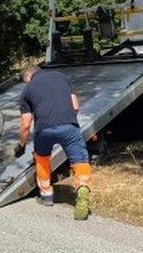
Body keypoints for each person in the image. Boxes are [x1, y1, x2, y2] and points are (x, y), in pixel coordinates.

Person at [14, 65, 91, 220]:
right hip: (68, 126)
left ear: (28, 76)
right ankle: (83, 186)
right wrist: (68, 122)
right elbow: (75, 105)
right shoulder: (60, 77)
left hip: (44, 130)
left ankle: (47, 196)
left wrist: (21, 145)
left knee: (42, 158)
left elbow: (26, 125)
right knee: (79, 160)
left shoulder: (27, 90)